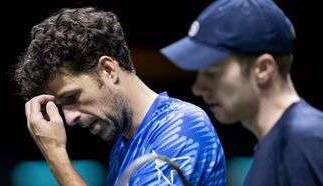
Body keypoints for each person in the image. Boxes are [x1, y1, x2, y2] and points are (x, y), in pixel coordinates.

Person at [12, 6, 227, 186]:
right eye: (61, 105)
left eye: (72, 97)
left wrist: (56, 155)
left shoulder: (184, 127)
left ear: (108, 69)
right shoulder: (122, 148)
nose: (69, 118)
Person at [160, 0, 323, 185]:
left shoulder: (305, 140)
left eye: (213, 73)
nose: (198, 88)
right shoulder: (278, 146)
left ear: (263, 69)